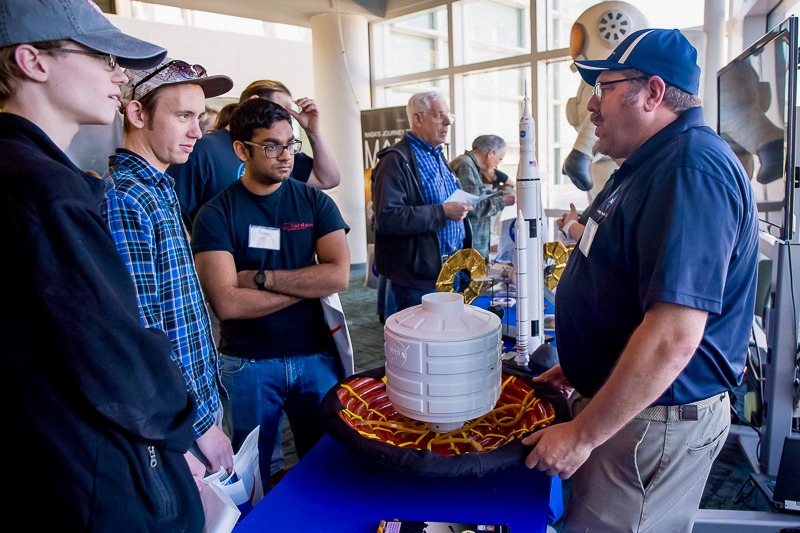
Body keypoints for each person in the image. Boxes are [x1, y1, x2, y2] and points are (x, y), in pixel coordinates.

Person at [521, 28, 759, 532]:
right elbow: (627, 279)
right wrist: (588, 362)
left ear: (652, 92)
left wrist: (584, 434)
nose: (590, 106)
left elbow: (674, 334)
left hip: (653, 423)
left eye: (603, 88)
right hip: (631, 408)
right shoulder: (650, 163)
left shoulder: (689, 169)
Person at [1, 0, 205, 530]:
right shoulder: (48, 187)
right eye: (101, 57)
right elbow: (114, 351)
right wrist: (183, 428)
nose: (118, 76)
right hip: (92, 471)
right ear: (33, 61)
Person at [189, 98, 351, 490]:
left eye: (290, 144)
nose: (285, 156)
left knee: (329, 460)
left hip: (316, 356)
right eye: (271, 146)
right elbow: (227, 303)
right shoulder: (215, 214)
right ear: (242, 150)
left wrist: (260, 280)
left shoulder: (314, 201)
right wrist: (307, 286)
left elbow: (339, 275)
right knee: (252, 474)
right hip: (248, 363)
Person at [101, 57, 237, 478]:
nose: (198, 131)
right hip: (181, 425)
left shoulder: (158, 187)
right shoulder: (126, 198)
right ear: (137, 113)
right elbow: (145, 333)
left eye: (200, 117)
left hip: (198, 399)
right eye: (183, 116)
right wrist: (199, 428)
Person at [168, 79, 341, 230]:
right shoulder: (205, 148)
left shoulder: (284, 154)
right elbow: (174, 212)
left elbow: (328, 179)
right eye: (281, 110)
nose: (286, 119)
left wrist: (313, 132)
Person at [371, 91, 473, 313]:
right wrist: (442, 212)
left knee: (447, 342)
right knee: (420, 344)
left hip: (449, 270)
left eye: (449, 116)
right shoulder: (395, 161)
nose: (447, 122)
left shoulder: (437, 155)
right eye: (439, 116)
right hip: (417, 278)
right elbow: (388, 218)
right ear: (417, 119)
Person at [449, 134, 515, 260]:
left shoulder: (468, 164)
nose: (497, 165)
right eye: (499, 159)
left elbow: (478, 196)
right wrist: (502, 201)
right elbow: (472, 206)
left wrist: (500, 194)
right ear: (490, 153)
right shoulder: (465, 165)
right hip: (469, 250)